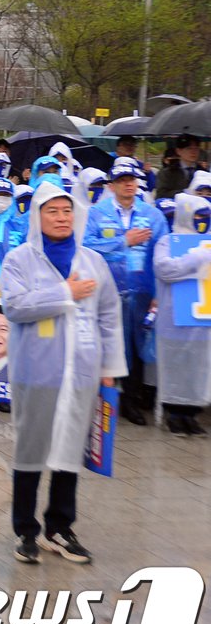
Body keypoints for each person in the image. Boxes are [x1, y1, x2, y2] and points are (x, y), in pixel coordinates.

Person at [0, 181, 124, 565]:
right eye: (52, 211)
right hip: (37, 370)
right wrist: (64, 292)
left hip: (82, 371)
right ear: (37, 216)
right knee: (31, 450)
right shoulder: (19, 259)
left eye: (67, 211)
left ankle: (60, 527)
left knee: (71, 450)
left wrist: (109, 369)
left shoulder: (93, 261)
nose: (61, 217)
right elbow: (16, 306)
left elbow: (108, 315)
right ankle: (25, 530)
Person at [83, 160, 169, 426]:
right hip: (107, 290)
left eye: (132, 179)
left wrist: (158, 292)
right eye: (122, 180)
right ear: (112, 185)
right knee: (108, 344)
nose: (128, 184)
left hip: (142, 290)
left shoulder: (152, 215)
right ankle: (105, 399)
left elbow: (161, 253)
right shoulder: (96, 213)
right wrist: (123, 241)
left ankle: (132, 400)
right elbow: (87, 245)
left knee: (137, 345)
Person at [153, 194, 211, 436]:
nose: (201, 221)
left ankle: (192, 414)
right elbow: (163, 268)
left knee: (198, 367)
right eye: (197, 216)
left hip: (202, 319)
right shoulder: (167, 241)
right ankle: (174, 414)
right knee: (175, 366)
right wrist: (194, 259)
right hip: (174, 317)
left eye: (206, 217)